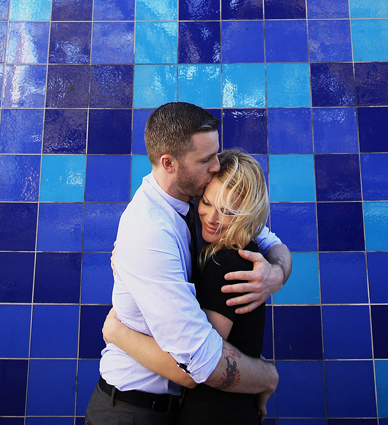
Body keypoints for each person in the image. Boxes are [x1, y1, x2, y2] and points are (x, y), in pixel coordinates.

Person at [84, 101, 291, 425]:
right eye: (206, 159)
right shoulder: (150, 232)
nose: (215, 167)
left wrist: (277, 272)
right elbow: (200, 363)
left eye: (216, 155)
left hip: (176, 408)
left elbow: (265, 237)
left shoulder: (195, 199)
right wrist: (267, 376)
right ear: (170, 163)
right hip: (132, 410)